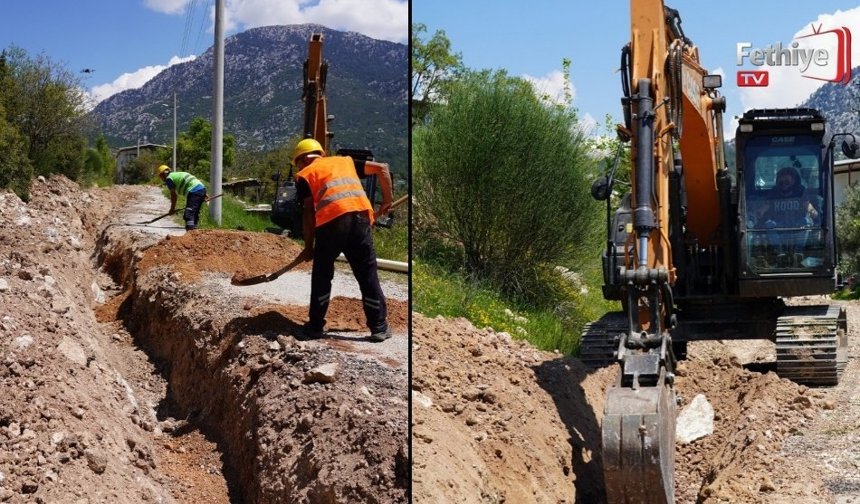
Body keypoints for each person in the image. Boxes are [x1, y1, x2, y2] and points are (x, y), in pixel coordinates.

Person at [291, 138, 393, 342]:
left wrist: (309, 247)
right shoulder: (345, 161)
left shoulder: (304, 175)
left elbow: (309, 214)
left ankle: (315, 327)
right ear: (320, 153)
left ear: (302, 160)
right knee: (367, 273)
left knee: (322, 273)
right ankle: (379, 327)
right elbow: (383, 168)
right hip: (361, 219)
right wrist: (387, 202)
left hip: (331, 222)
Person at [754, 166, 819, 228]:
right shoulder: (774, 192)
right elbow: (765, 206)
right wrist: (760, 212)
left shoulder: (800, 191)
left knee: (805, 222)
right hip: (777, 226)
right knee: (769, 224)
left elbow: (807, 205)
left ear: (794, 181)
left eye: (787, 182)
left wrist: (812, 212)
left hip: (799, 226)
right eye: (781, 182)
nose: (784, 184)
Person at [156, 165, 207, 231]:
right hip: (201, 189)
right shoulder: (177, 174)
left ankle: (190, 233)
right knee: (195, 213)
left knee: (189, 213)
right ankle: (194, 232)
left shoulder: (169, 179)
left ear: (162, 174)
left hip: (194, 191)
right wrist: (203, 194)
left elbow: (174, 196)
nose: (161, 178)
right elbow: (194, 181)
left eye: (160, 176)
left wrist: (172, 209)